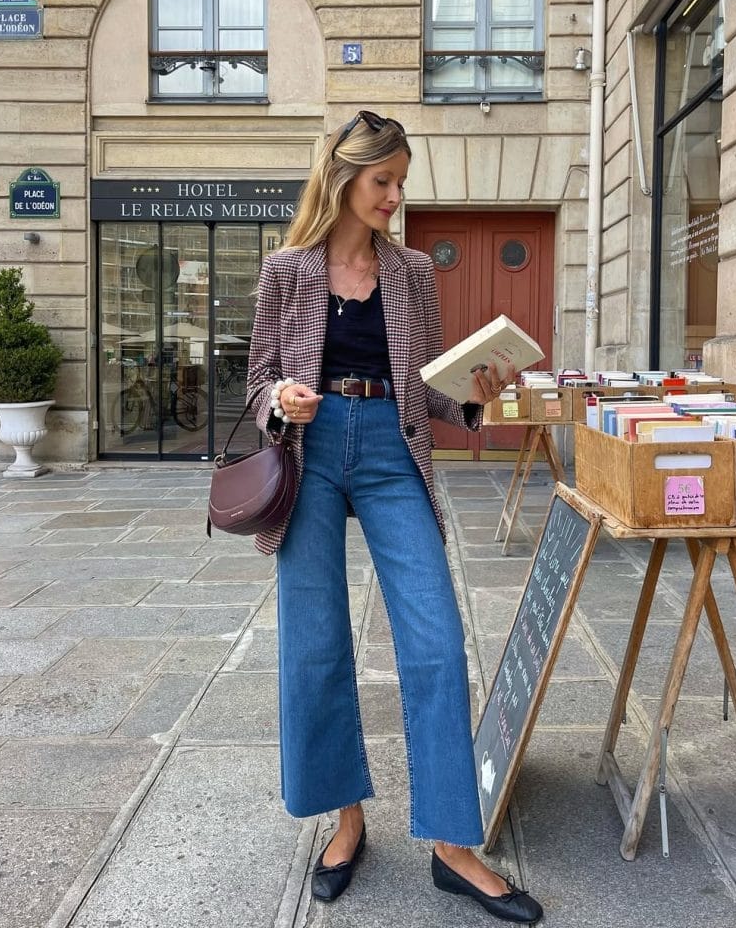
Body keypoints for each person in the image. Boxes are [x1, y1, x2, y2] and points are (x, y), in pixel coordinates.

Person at [246, 109, 543, 925]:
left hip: (390, 452)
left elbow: (430, 388)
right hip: (308, 454)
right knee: (313, 646)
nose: (395, 196)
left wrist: (476, 398)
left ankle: (453, 844)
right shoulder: (286, 270)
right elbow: (258, 376)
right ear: (344, 178)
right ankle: (345, 821)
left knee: (437, 641)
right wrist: (280, 397)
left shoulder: (412, 271)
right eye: (384, 181)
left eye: (400, 182)